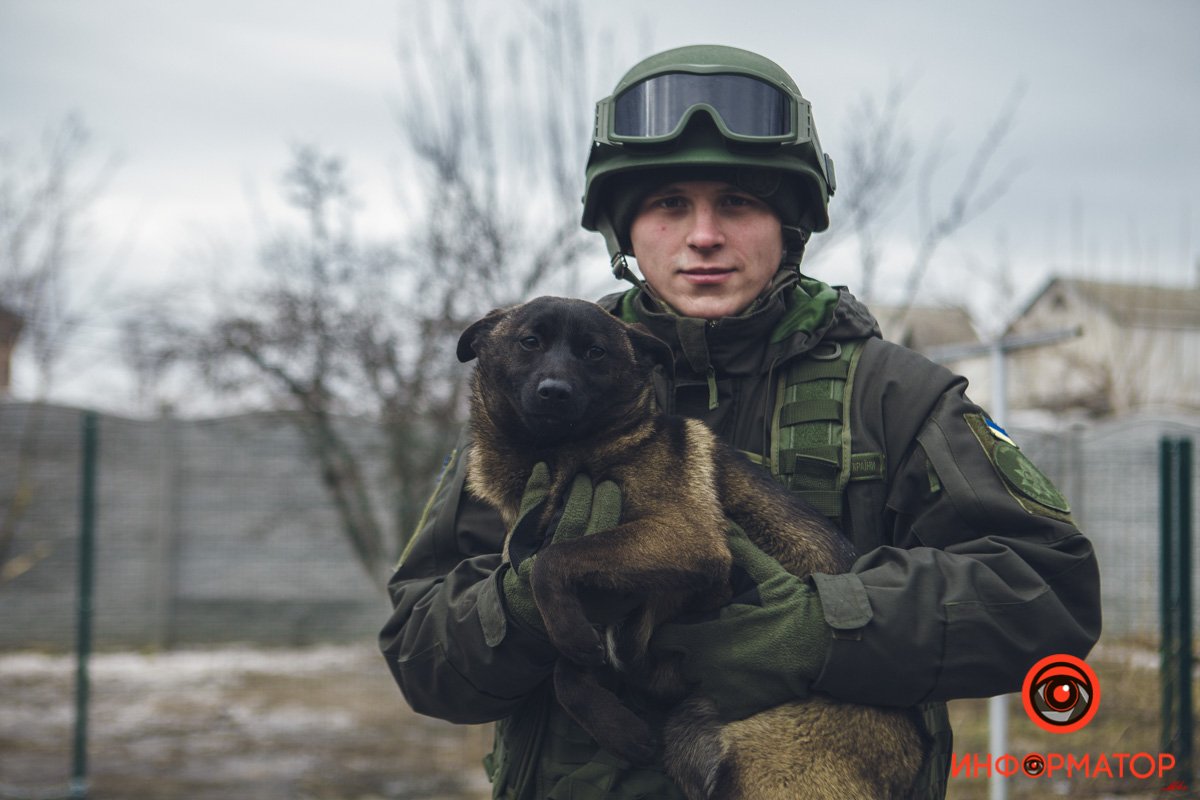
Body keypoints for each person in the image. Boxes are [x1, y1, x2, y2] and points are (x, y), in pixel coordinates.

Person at [380, 44, 1102, 799]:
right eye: (668, 205)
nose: (703, 236)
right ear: (623, 232)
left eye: (738, 202)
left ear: (790, 226)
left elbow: (1047, 592)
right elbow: (422, 657)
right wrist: (531, 604)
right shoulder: (536, 399)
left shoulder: (892, 395)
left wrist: (820, 631)